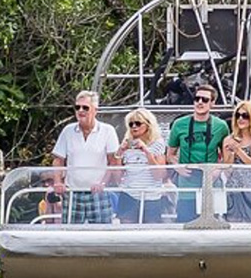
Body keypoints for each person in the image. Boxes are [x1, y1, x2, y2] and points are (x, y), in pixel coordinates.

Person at [51, 91, 119, 224]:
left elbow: (113, 161)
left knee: (101, 236)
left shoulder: (108, 130)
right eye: (77, 107)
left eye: (85, 107)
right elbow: (58, 160)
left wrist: (103, 183)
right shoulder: (68, 131)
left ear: (95, 110)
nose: (80, 111)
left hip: (99, 193)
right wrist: (58, 182)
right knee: (70, 235)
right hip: (73, 192)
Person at [166, 84, 230, 222]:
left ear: (212, 103)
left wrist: (217, 170)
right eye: (197, 98)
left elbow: (226, 157)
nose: (200, 102)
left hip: (211, 183)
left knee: (214, 226)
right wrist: (178, 167)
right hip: (187, 184)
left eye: (205, 100)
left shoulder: (221, 126)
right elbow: (170, 154)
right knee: (185, 225)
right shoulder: (179, 124)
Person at [114, 108, 168, 223]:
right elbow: (117, 177)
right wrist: (119, 153)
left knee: (151, 234)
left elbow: (159, 175)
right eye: (131, 124)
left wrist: (146, 151)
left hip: (151, 196)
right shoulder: (126, 144)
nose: (134, 127)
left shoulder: (157, 143)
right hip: (129, 195)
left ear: (148, 125)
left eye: (138, 123)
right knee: (127, 233)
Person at [221, 101, 251, 222]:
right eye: (238, 115)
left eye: (245, 115)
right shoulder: (228, 139)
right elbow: (227, 170)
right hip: (234, 191)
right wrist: (231, 152)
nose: (240, 119)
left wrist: (238, 151)